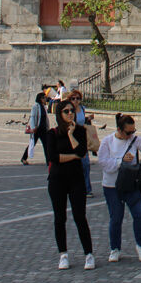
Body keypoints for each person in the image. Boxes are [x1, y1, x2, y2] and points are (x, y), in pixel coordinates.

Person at [97, 114, 141, 262]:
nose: (131, 135)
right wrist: (120, 162)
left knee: (139, 215)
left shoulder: (135, 140)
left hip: (132, 185)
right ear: (119, 130)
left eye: (133, 131)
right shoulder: (107, 141)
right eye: (128, 132)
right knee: (116, 218)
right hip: (112, 185)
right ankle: (115, 248)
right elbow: (103, 163)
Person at [45, 99, 94, 271]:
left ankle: (89, 254)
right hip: (57, 180)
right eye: (66, 111)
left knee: (80, 217)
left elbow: (82, 153)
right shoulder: (52, 134)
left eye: (72, 110)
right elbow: (53, 157)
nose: (70, 113)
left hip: (76, 180)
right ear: (59, 114)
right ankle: (63, 254)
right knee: (60, 218)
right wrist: (72, 156)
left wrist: (72, 135)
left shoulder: (79, 131)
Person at [68, 90, 95, 195]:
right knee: (74, 165)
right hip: (72, 139)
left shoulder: (82, 109)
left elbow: (82, 122)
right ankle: (73, 187)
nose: (76, 100)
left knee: (86, 164)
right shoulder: (69, 110)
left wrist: (88, 118)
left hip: (82, 139)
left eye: (78, 98)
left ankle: (87, 189)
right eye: (73, 98)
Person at [21, 91, 49, 165]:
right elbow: (32, 117)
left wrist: (47, 127)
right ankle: (24, 158)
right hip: (37, 129)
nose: (45, 99)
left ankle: (48, 161)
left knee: (46, 145)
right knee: (32, 144)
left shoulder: (44, 107)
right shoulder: (35, 106)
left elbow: (46, 119)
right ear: (40, 99)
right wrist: (33, 128)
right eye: (44, 98)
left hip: (43, 129)